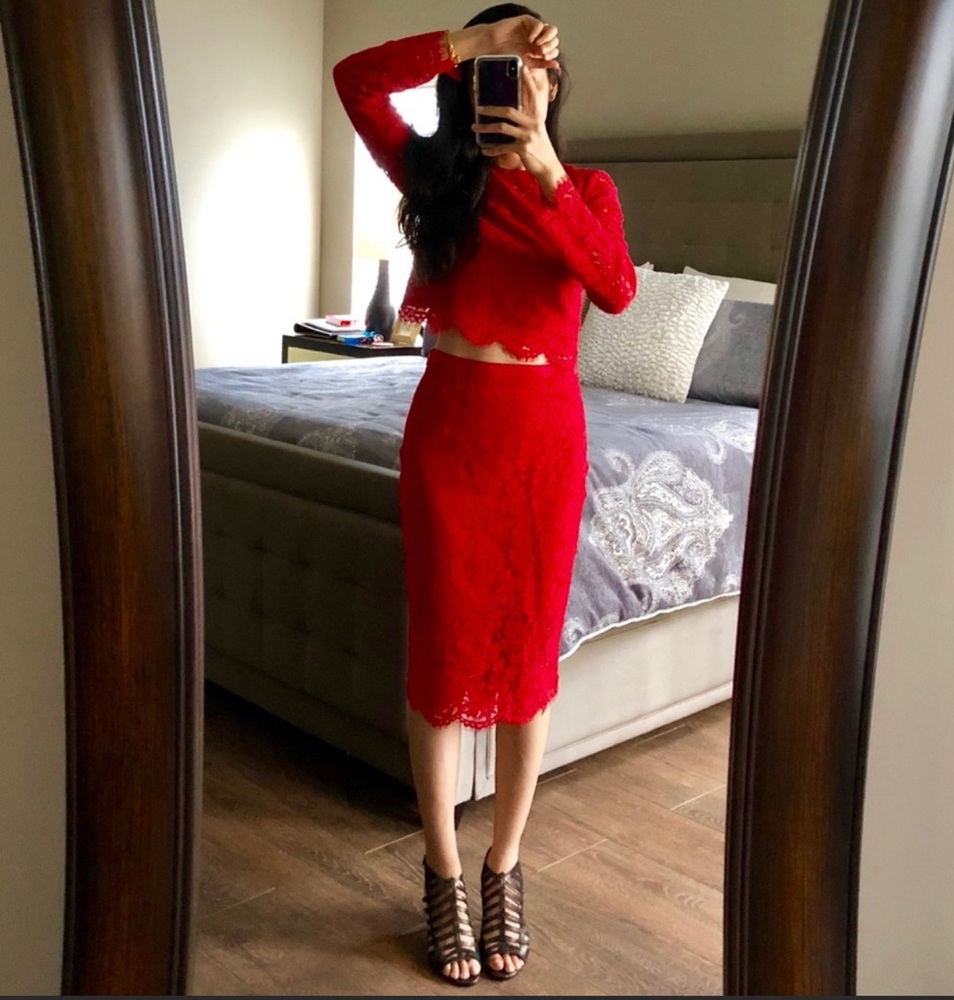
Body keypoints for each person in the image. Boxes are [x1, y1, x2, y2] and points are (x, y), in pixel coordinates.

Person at [333, 3, 635, 986]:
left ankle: (504, 864)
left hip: (543, 444)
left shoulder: (587, 188)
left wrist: (543, 167)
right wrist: (471, 42)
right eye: (498, 68)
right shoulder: (433, 179)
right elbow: (354, 81)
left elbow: (616, 288)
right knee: (442, 655)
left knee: (525, 657)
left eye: (534, 63)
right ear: (468, 85)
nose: (517, 80)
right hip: (450, 439)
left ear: (554, 84)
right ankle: (442, 867)